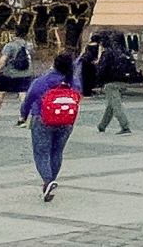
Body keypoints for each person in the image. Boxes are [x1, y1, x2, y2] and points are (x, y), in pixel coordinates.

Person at [20, 51, 84, 202]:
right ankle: (51, 181)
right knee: (57, 151)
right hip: (67, 120)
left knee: (41, 152)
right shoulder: (74, 82)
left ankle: (48, 181)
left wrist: (23, 114)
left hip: (42, 118)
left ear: (54, 64)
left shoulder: (43, 80)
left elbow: (29, 98)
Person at [84, 32, 136, 135]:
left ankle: (125, 127)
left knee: (116, 105)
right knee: (111, 105)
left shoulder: (107, 53)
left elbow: (101, 69)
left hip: (110, 82)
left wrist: (98, 79)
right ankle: (102, 125)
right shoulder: (124, 51)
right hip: (123, 81)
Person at [0, 27, 37, 125]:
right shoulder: (29, 45)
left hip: (9, 74)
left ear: (14, 34)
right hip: (25, 74)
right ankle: (23, 117)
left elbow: (3, 60)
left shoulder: (9, 46)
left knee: (0, 93)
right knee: (23, 95)